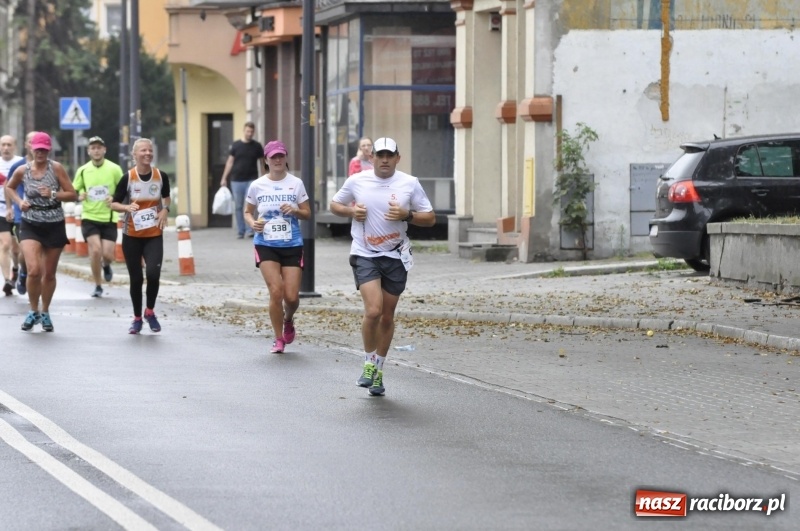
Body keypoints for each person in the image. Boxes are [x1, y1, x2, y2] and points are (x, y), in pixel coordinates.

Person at [330, 137, 436, 395]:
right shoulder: (357, 181)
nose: (385, 160)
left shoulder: (409, 183)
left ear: (398, 158)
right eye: (380, 155)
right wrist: (351, 212)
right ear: (372, 158)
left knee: (387, 316)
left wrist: (407, 215)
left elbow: (430, 218)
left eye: (390, 155)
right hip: (365, 253)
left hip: (396, 255)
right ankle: (368, 364)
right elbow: (335, 205)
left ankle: (378, 371)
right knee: (374, 310)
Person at [5, 132, 78, 331]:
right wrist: (19, 202)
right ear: (31, 149)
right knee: (34, 270)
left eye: (44, 150)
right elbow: (9, 187)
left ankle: (45, 311)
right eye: (37, 149)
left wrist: (53, 194)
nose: (40, 153)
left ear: (49, 150)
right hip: (31, 224)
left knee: (49, 274)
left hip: (54, 224)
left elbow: (72, 194)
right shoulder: (23, 170)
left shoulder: (56, 168)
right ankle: (32, 310)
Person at [243, 140, 311, 354]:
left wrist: (295, 210)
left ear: (286, 158)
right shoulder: (257, 185)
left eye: (281, 156)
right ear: (266, 160)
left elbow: (307, 213)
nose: (278, 160)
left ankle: (288, 319)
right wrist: (252, 223)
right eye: (274, 157)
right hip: (265, 243)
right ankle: (278, 338)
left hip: (292, 244)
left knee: (291, 297)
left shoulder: (296, 183)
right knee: (276, 291)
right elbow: (247, 211)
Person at [110, 138, 171, 334]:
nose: (147, 153)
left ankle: (150, 312)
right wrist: (126, 207)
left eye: (150, 150)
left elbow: (166, 197)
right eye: (143, 150)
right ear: (134, 154)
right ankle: (137, 318)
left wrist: (165, 210)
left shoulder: (161, 176)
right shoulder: (128, 177)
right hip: (132, 235)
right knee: (136, 278)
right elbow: (113, 203)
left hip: (154, 234)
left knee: (153, 274)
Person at [73, 136, 124, 297]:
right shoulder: (83, 170)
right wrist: (80, 195)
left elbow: (124, 189)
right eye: (93, 148)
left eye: (99, 148)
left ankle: (106, 265)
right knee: (95, 251)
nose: (96, 151)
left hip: (109, 217)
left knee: (108, 255)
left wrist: (114, 198)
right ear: (88, 151)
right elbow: (74, 189)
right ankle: (97, 285)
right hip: (89, 216)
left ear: (104, 150)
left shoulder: (114, 169)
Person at [219, 122, 265, 239]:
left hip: (252, 180)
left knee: (250, 205)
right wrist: (224, 178)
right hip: (236, 180)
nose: (249, 134)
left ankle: (250, 229)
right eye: (248, 131)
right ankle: (241, 231)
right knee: (238, 206)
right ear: (244, 131)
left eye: (251, 132)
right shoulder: (236, 145)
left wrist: (265, 178)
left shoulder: (257, 146)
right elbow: (230, 162)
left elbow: (262, 162)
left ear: (254, 132)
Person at [5, 132, 34, 295]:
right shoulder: (18, 166)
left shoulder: (51, 166)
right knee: (24, 251)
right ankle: (23, 273)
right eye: (30, 141)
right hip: (21, 216)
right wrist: (10, 207)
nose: (34, 145)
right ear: (26, 145)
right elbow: (8, 187)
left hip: (43, 217)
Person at [0, 134, 24, 295]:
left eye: (9, 145)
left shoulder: (20, 163)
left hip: (18, 209)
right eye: (3, 145)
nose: (6, 148)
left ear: (14, 146)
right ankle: (7, 280)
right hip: (0, 209)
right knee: (5, 244)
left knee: (17, 250)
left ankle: (15, 269)